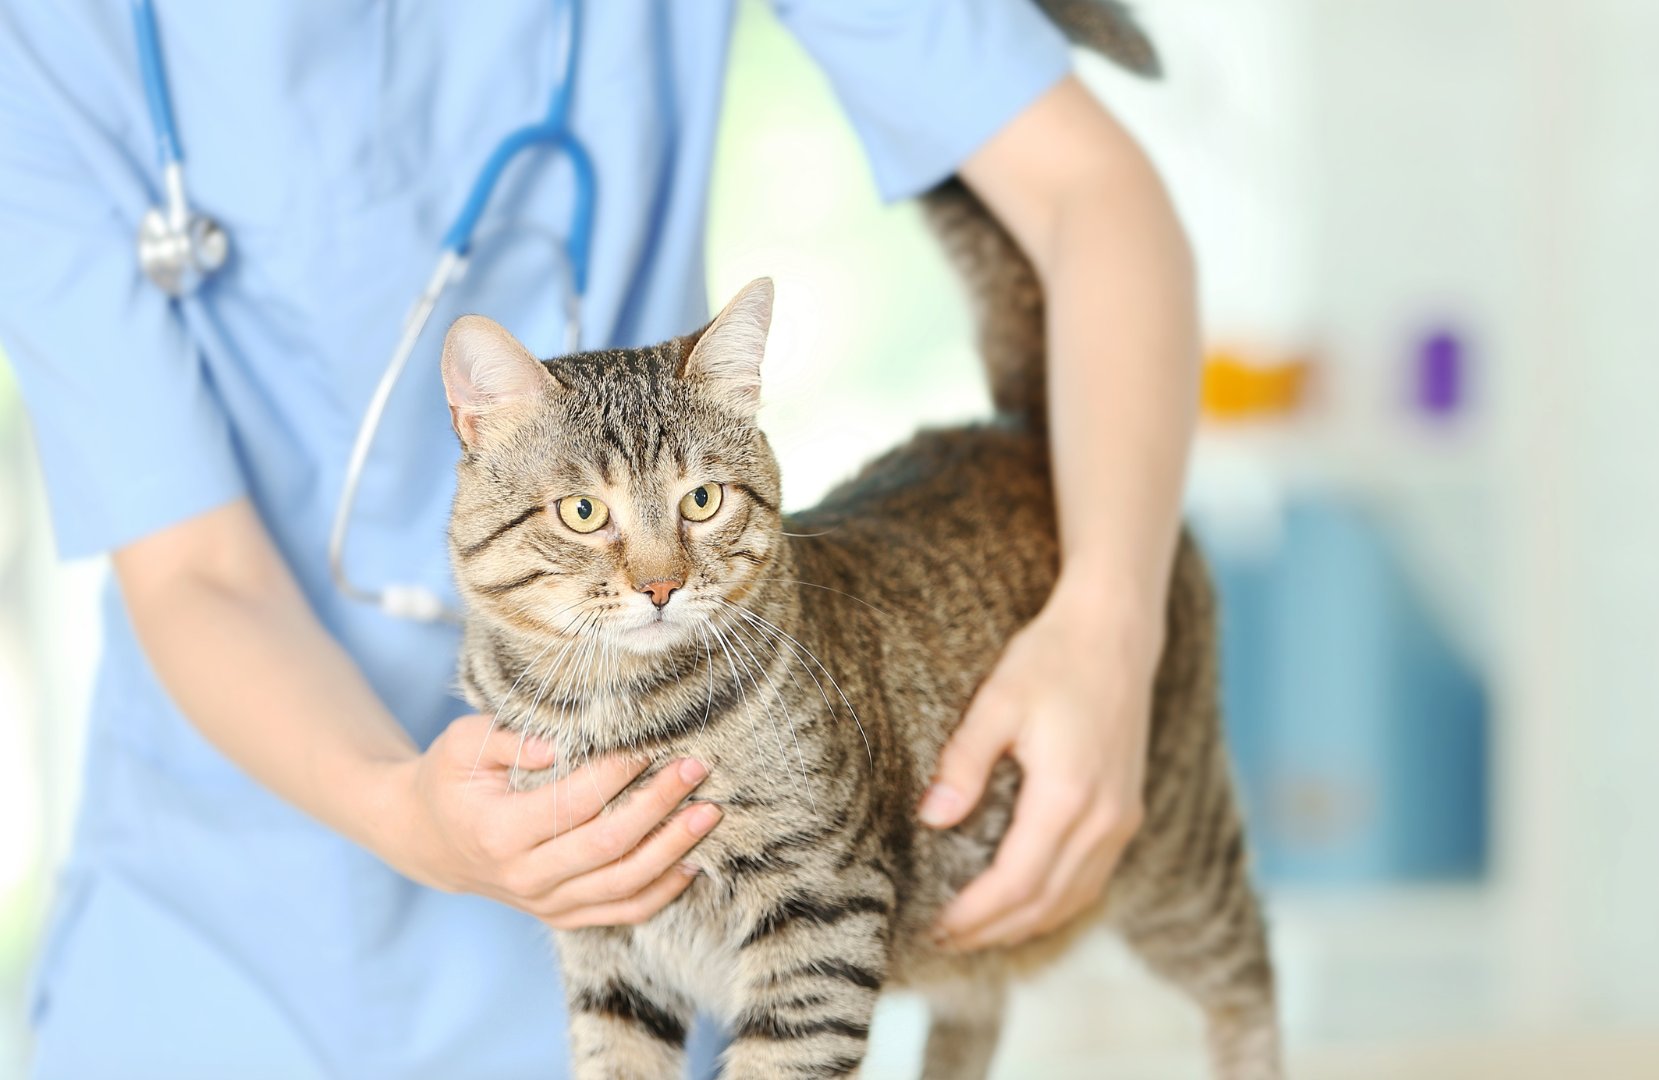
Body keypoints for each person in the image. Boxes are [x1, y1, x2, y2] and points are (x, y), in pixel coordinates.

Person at [0, 1, 1197, 1075]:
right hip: (217, 941)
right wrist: (393, 806)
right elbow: (193, 567)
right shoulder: (51, 39)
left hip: (694, 867)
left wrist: (1109, 621)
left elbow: (1084, 191)